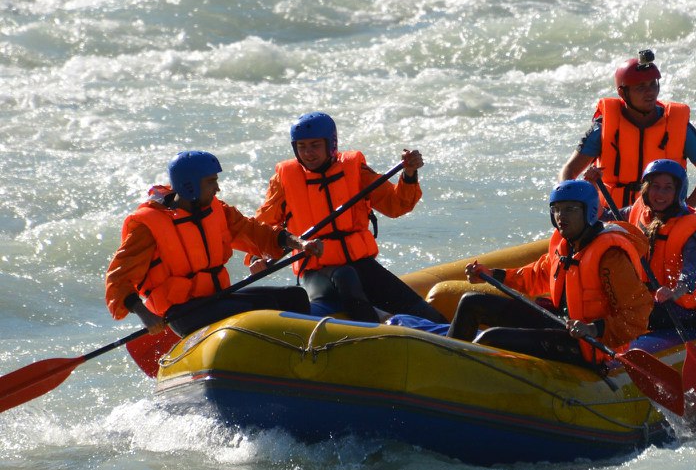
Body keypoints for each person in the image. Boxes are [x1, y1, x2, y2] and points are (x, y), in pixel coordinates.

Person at [252, 111, 446, 324]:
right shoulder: (285, 179)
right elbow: (261, 226)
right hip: (317, 273)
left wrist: (409, 174)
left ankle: (448, 333)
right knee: (345, 276)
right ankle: (374, 331)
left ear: (331, 144)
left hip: (361, 265)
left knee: (421, 311)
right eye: (302, 146)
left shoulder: (354, 169)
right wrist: (256, 258)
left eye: (315, 145)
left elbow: (396, 205)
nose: (308, 153)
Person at [105, 151, 322, 337]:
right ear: (190, 186)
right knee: (256, 310)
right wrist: (145, 315)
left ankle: (306, 355)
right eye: (211, 182)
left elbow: (256, 231)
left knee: (294, 297)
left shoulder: (217, 210)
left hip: (216, 299)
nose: (217, 188)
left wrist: (300, 243)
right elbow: (118, 279)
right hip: (182, 313)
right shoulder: (148, 226)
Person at [446, 179, 652, 365]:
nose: (561, 216)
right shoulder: (565, 245)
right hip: (560, 323)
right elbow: (538, 276)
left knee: (491, 338)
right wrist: (493, 274)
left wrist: (593, 328)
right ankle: (445, 365)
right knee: (470, 302)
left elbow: (637, 315)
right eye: (556, 209)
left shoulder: (612, 257)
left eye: (570, 209)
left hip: (590, 344)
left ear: (589, 211)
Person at [558, 48, 696, 210]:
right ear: (623, 93)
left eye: (653, 84)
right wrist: (570, 204)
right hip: (613, 216)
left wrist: (685, 208)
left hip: (662, 217)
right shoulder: (603, 127)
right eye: (640, 87)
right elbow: (569, 170)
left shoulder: (677, 125)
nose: (650, 92)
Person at [620, 158, 696, 333]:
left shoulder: (689, 230)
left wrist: (674, 292)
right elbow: (604, 215)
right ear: (646, 189)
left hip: (682, 308)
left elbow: (690, 275)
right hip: (650, 300)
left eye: (668, 188)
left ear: (678, 192)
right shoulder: (642, 211)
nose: (660, 194)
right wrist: (593, 185)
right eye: (655, 186)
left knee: (634, 312)